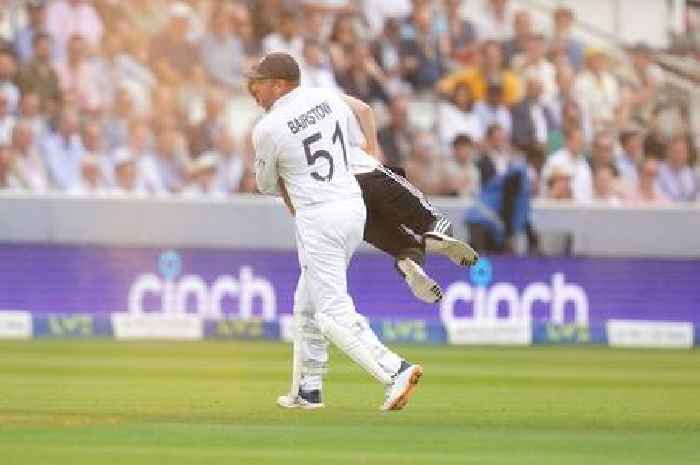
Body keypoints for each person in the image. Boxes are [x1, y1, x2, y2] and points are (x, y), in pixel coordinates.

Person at [248, 52, 478, 411]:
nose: (254, 91)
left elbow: (264, 184)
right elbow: (356, 140)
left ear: (278, 85)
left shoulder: (267, 128)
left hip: (319, 218)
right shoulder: (326, 98)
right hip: (354, 209)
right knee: (306, 302)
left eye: (258, 84)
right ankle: (307, 388)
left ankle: (395, 370)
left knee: (331, 312)